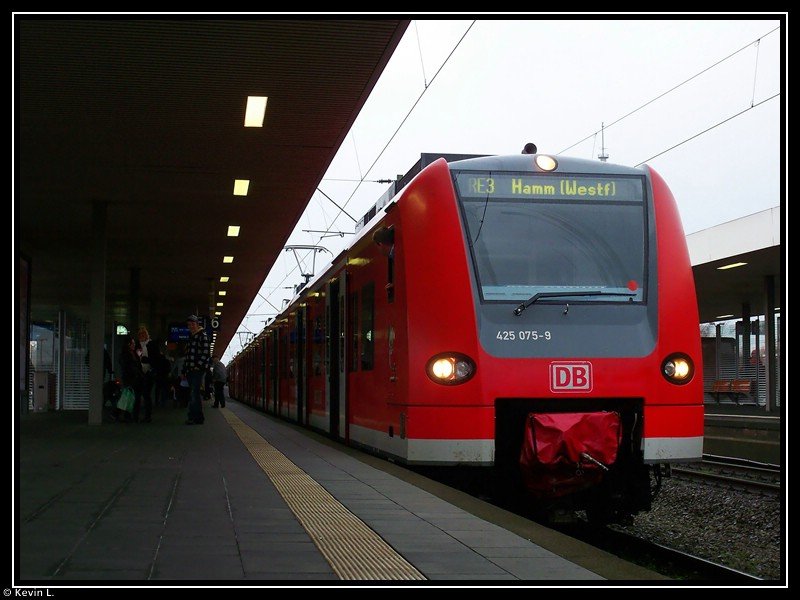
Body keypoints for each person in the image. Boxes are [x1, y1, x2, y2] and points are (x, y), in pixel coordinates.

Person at [183, 315, 211, 424]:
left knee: (194, 393)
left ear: (197, 324)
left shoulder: (202, 336)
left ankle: (196, 418)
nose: (191, 326)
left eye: (193, 324)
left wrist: (197, 366)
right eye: (189, 325)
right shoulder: (191, 336)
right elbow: (188, 355)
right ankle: (194, 417)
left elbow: (206, 353)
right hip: (190, 370)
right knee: (193, 393)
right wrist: (185, 370)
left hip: (197, 370)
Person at [118, 335, 143, 422]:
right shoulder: (129, 354)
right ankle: (131, 416)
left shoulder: (128, 354)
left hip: (130, 378)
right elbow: (132, 367)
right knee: (133, 398)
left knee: (130, 398)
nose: (134, 345)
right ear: (129, 344)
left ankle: (128, 416)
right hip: (132, 379)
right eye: (133, 343)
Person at [135, 326, 155, 423]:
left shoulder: (150, 345)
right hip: (141, 372)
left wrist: (144, 359)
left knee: (146, 395)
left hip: (148, 372)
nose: (142, 337)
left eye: (143, 335)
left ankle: (147, 415)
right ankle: (143, 415)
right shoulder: (139, 346)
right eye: (140, 335)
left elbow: (154, 360)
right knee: (142, 394)